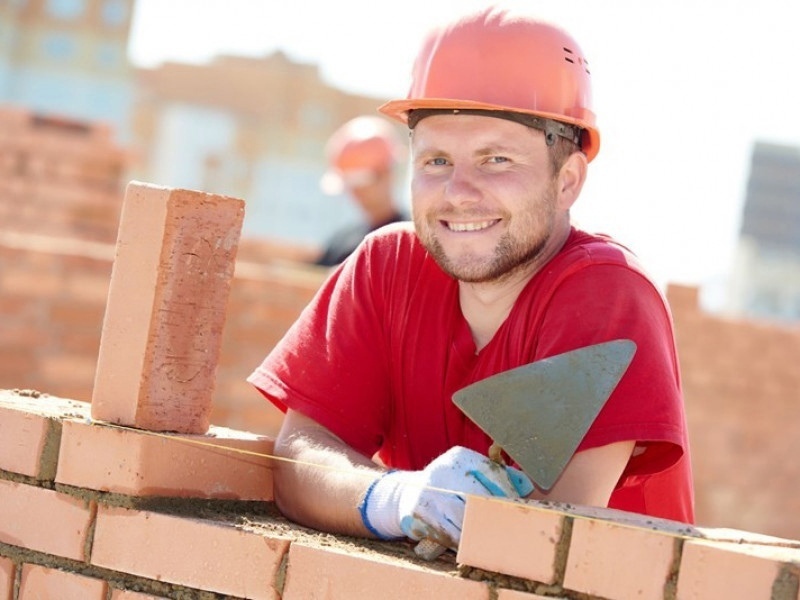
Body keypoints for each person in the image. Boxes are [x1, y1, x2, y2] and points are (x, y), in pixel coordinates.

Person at [248, 5, 694, 552]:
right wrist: (395, 498)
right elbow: (298, 456)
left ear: (568, 179)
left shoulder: (605, 293)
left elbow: (542, 539)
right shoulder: (385, 266)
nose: (458, 192)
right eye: (435, 161)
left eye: (496, 159)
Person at [314, 115, 407, 266]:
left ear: (386, 174)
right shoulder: (341, 242)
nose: (355, 192)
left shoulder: (412, 242)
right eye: (349, 183)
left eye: (359, 181)